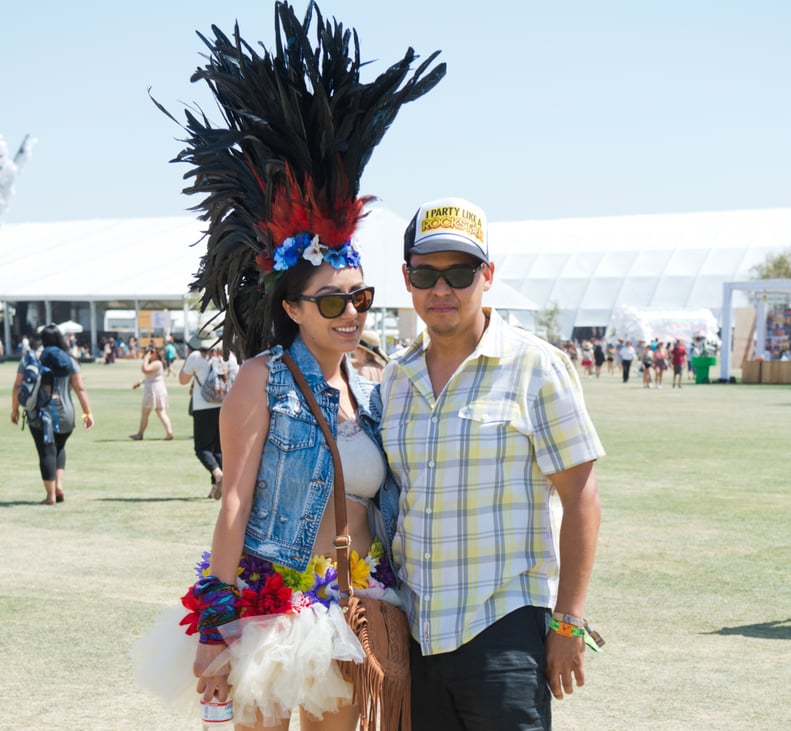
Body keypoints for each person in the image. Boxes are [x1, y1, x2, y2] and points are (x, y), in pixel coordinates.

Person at [133, 6, 444, 730]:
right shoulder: (262, 378)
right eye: (331, 299)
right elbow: (234, 502)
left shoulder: (373, 388)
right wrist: (215, 622)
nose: (351, 311)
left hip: (358, 604)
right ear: (295, 307)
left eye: (360, 296)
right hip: (276, 608)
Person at [379, 198, 605, 730]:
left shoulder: (537, 367)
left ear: (488, 276)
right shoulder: (394, 378)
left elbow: (582, 498)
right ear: (406, 279)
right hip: (414, 633)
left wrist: (568, 622)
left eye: (459, 273)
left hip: (504, 625)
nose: (441, 289)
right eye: (425, 273)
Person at [9, 324, 95, 504]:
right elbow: (80, 388)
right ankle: (59, 486)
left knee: (46, 452)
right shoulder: (70, 360)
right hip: (67, 414)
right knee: (60, 447)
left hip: (41, 415)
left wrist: (15, 409)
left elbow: (18, 386)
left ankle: (50, 496)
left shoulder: (31, 358)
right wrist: (88, 413)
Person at [179, 334, 226, 498]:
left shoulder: (196, 356)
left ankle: (219, 475)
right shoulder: (226, 354)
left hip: (203, 407)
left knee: (202, 448)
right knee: (219, 449)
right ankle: (216, 488)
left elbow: (182, 380)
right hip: (225, 405)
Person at [129, 345, 174, 441]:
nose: (149, 354)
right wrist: (139, 383)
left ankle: (140, 434)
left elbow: (145, 369)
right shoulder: (157, 363)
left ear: (157, 354)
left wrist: (145, 358)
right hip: (157, 389)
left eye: (152, 352)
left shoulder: (157, 363)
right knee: (160, 412)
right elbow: (150, 377)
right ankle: (169, 432)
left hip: (153, 390)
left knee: (147, 413)